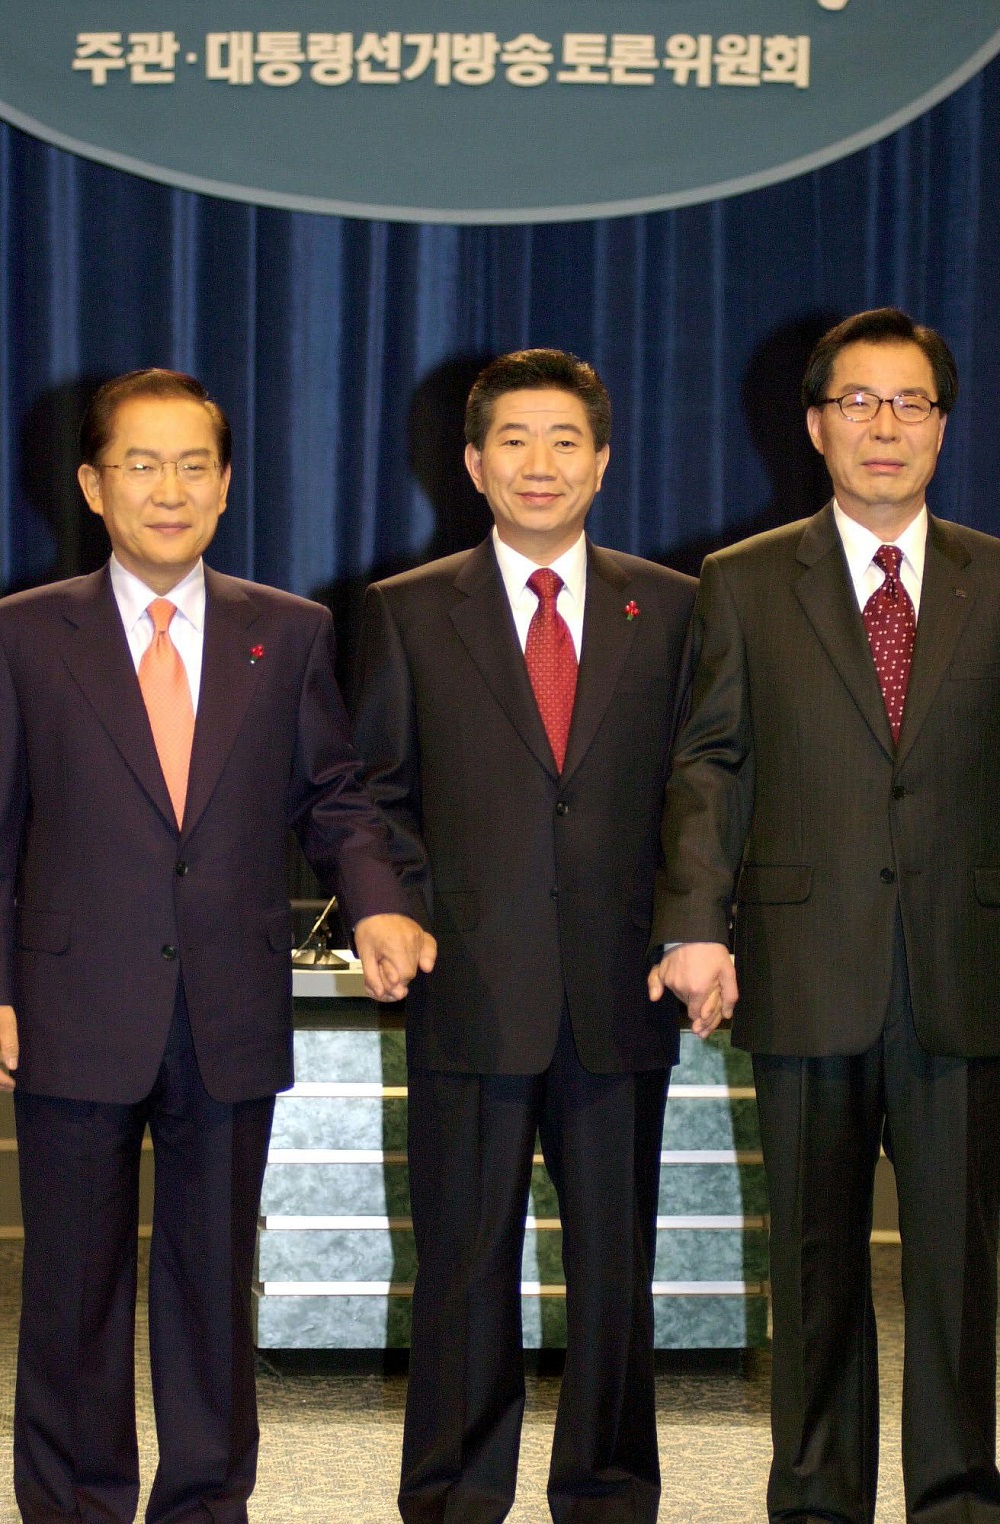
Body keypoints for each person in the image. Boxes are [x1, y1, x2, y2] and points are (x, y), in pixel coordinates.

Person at [0, 368, 435, 1523]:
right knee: (72, 1294)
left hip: (228, 1010)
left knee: (210, 1289)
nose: (169, 489)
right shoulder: (24, 634)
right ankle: (74, 1505)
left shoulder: (286, 632)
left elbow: (332, 795)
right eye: (140, 465)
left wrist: (377, 901)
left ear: (227, 484)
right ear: (92, 485)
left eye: (194, 465)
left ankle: (204, 1504)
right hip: (71, 1006)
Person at [649, 307, 1000, 1523]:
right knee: (812, 1265)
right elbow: (708, 763)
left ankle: (959, 1497)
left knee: (958, 1271)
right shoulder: (744, 581)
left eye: (909, 402)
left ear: (942, 427)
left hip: (964, 967)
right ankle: (813, 1499)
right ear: (813, 426)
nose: (882, 425)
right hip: (804, 966)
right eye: (857, 401)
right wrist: (695, 924)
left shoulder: (995, 577)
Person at [351, 348, 697, 1523]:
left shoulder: (674, 608)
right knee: (461, 1267)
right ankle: (455, 1493)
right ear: (471, 463)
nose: (538, 463)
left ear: (601, 463)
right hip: (470, 989)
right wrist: (392, 905)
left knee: (615, 1270)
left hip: (619, 991)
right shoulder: (406, 610)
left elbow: (698, 788)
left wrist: (692, 925)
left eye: (563, 440)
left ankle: (608, 1491)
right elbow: (376, 794)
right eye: (513, 439)